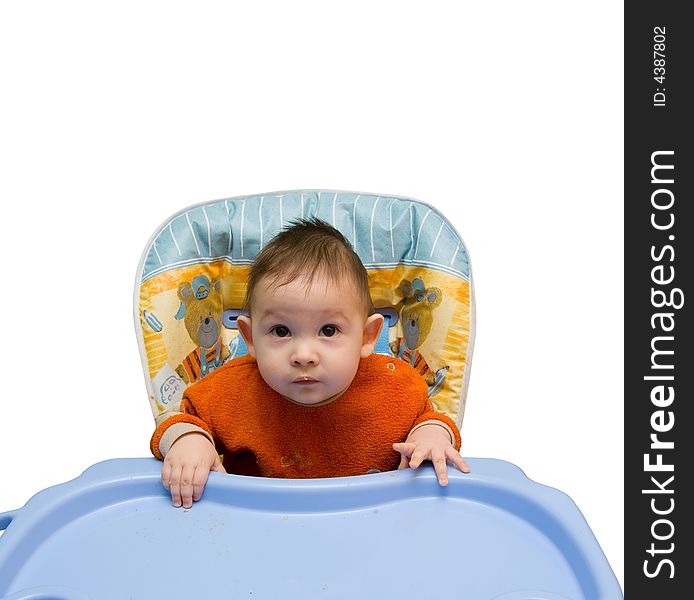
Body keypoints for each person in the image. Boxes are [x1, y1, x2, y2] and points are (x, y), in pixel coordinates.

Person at [151, 217, 470, 508]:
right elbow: (179, 417)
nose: (303, 354)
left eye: (328, 330)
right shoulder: (229, 391)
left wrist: (431, 437)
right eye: (280, 331)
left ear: (367, 337)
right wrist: (188, 440)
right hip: (259, 529)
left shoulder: (395, 386)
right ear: (249, 337)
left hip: (371, 527)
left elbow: (430, 418)